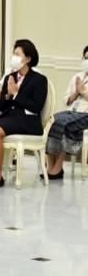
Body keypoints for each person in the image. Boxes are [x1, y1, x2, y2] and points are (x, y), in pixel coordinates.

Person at [0, 40, 49, 189]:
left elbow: (36, 107)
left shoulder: (39, 79)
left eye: (17, 54)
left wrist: (16, 94)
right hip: (10, 117)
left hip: (28, 121)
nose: (13, 57)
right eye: (13, 54)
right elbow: (1, 106)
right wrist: (8, 95)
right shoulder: (10, 77)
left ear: (28, 59)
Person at [44, 45, 88, 180]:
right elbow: (66, 101)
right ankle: (51, 165)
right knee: (52, 120)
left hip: (86, 114)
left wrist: (84, 92)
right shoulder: (77, 76)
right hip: (72, 112)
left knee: (64, 125)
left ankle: (58, 167)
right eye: (85, 58)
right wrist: (76, 92)